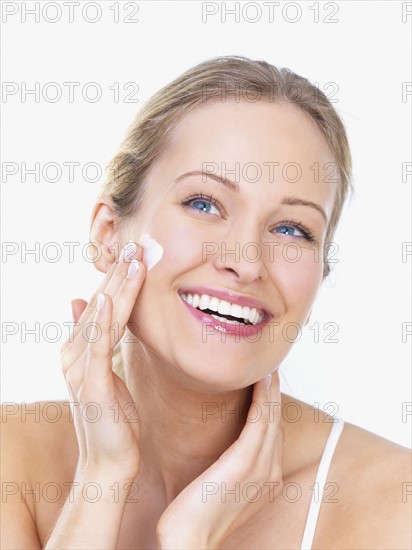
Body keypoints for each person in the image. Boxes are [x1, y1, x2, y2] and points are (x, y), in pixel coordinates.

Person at [2, 55, 411, 550]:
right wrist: (102, 478)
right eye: (204, 203)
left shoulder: (394, 505)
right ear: (109, 234)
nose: (246, 261)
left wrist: (190, 539)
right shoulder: (12, 464)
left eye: (291, 229)